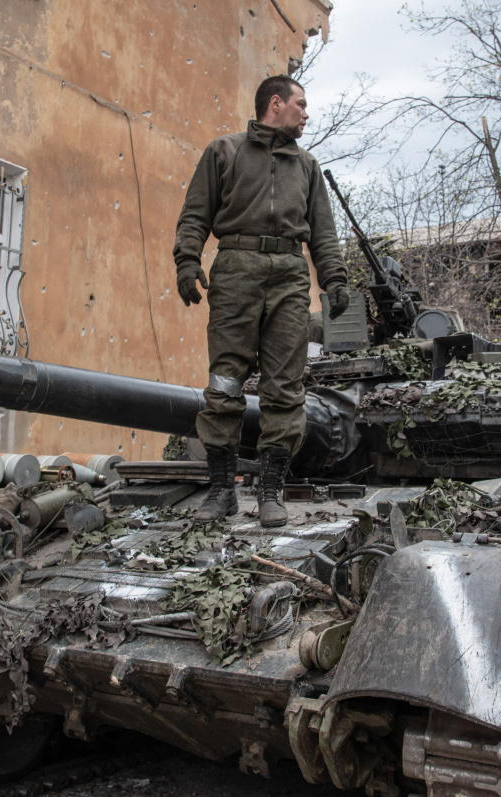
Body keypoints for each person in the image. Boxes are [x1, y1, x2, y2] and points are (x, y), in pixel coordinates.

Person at [172, 75, 350, 528]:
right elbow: (195, 213)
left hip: (289, 275)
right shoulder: (224, 151)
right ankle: (221, 492)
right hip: (236, 269)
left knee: (285, 388)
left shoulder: (307, 166)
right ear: (276, 103)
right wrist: (187, 261)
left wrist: (334, 278)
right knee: (225, 383)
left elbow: (323, 233)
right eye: (300, 104)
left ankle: (271, 492)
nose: (306, 113)